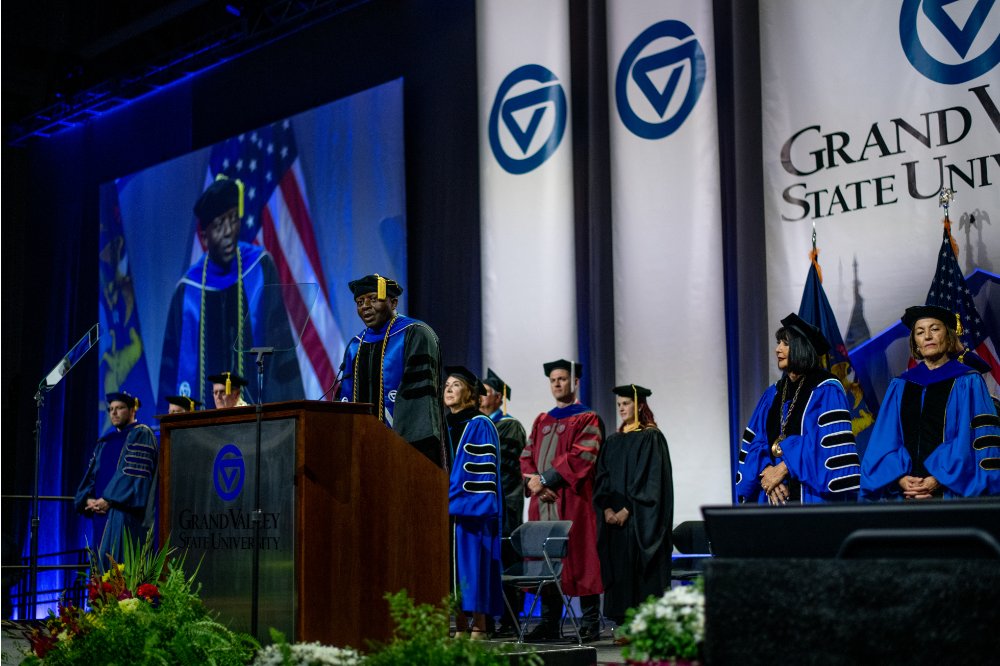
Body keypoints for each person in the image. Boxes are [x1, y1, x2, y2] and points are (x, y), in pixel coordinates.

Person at [158, 175, 303, 413]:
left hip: (257, 422)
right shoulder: (187, 292)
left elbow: (279, 349)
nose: (228, 232)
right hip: (202, 429)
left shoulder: (259, 268)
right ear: (204, 237)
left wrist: (282, 418)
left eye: (232, 220)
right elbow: (170, 375)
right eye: (218, 225)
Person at [861, 305, 1000, 499]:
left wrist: (937, 479)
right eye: (920, 332)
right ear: (915, 342)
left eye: (935, 329)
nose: (927, 336)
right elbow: (884, 440)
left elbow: (976, 439)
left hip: (951, 491)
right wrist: (901, 479)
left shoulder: (968, 382)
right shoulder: (901, 386)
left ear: (949, 336)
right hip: (905, 493)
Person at [735, 313, 861, 505]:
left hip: (810, 496)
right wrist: (768, 471)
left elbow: (826, 448)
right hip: (772, 495)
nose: (778, 349)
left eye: (785, 344)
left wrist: (785, 468)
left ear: (802, 347)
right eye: (778, 343)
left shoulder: (826, 389)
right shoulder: (774, 393)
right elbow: (755, 442)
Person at [521, 359, 603, 642]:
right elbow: (526, 456)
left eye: (562, 379)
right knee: (545, 558)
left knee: (581, 556)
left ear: (575, 382)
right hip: (543, 502)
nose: (557, 384)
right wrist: (535, 483)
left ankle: (591, 622)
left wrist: (543, 480)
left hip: (573, 501)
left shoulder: (587, 418)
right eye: (553, 380)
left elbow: (582, 456)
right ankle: (549, 623)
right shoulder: (542, 419)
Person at [336, 274, 444, 466]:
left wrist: (396, 441)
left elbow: (419, 399)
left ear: (393, 303)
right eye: (360, 301)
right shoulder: (356, 345)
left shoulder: (415, 333)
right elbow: (345, 395)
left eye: (373, 299)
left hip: (409, 445)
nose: (365, 306)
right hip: (363, 447)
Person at [593, 384, 673, 629]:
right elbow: (602, 478)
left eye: (626, 403)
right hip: (615, 523)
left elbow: (651, 481)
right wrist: (606, 509)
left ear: (639, 405)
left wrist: (627, 510)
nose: (621, 408)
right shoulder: (613, 441)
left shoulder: (651, 437)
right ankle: (622, 624)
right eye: (619, 405)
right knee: (618, 566)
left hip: (639, 520)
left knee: (641, 569)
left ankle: (646, 625)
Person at [444, 366, 504, 639]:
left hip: (469, 511)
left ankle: (479, 626)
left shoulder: (479, 424)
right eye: (446, 384)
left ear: (469, 393)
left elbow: (478, 472)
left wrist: (452, 499)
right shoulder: (442, 425)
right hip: (445, 510)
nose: (448, 388)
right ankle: (459, 626)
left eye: (455, 385)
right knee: (451, 572)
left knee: (472, 567)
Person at [74, 391, 158, 569]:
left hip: (124, 516)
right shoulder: (105, 441)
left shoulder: (141, 434)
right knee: (101, 568)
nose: (114, 412)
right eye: (111, 409)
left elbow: (134, 476)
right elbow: (92, 474)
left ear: (132, 410)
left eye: (119, 408)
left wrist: (109, 500)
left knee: (119, 570)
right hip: (101, 514)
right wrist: (87, 498)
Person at [479, 368, 527, 637]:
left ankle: (511, 619)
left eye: (484, 393)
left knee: (508, 561)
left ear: (499, 398)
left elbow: (508, 469)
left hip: (505, 504)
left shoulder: (509, 425)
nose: (480, 398)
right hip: (486, 506)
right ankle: (486, 618)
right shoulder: (478, 423)